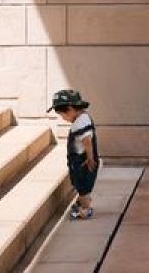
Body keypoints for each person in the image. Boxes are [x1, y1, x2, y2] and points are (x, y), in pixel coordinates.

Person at [47, 89, 99, 220]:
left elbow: (87, 142)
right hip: (82, 159)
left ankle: (85, 209)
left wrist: (90, 158)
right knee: (82, 185)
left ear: (70, 109)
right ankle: (83, 201)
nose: (62, 118)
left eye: (62, 115)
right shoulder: (84, 117)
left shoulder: (79, 123)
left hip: (82, 161)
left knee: (82, 187)